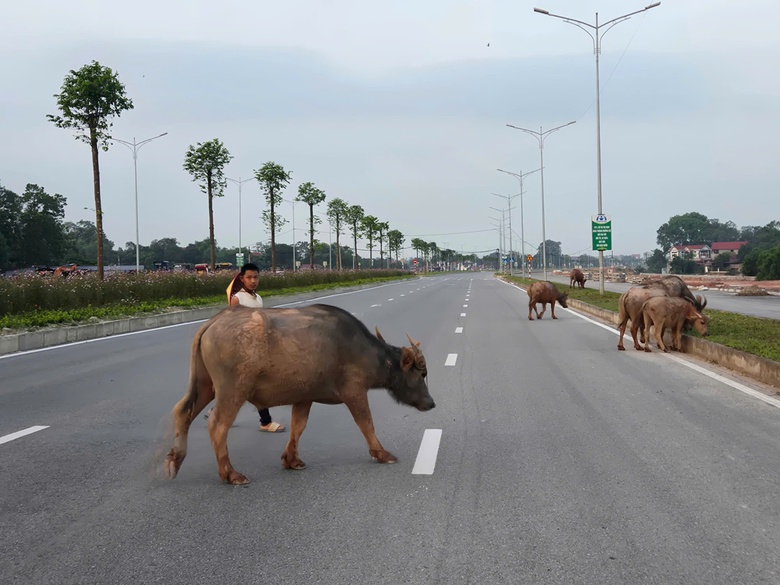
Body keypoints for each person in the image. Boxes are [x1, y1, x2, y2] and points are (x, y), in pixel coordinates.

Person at [204, 263, 286, 433]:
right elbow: (230, 326)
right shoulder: (237, 299)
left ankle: (217, 412)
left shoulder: (259, 298)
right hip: (242, 350)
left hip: (258, 348)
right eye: (249, 277)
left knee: (238, 385)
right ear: (241, 279)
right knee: (251, 385)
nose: (253, 281)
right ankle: (265, 421)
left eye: (255, 277)